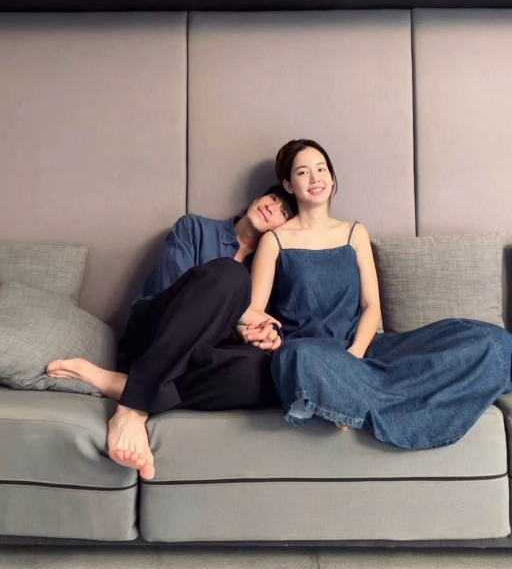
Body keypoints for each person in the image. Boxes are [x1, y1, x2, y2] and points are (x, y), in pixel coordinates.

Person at [241, 139, 512, 450]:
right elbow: (253, 313)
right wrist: (266, 335)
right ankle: (351, 396)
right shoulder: (274, 240)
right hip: (315, 355)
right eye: (303, 172)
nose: (315, 178)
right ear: (289, 184)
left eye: (321, 169)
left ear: (332, 178)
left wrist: (354, 356)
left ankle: (348, 400)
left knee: (486, 338)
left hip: (367, 351)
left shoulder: (355, 233)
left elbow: (372, 308)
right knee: (294, 357)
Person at [47, 185, 295, 480]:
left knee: (258, 371)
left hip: (200, 361)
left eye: (283, 212)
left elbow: (266, 321)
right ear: (256, 199)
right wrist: (241, 317)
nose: (272, 207)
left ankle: (120, 384)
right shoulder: (195, 228)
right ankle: (132, 410)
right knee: (231, 275)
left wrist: (268, 333)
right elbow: (175, 296)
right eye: (272, 198)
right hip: (153, 337)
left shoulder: (269, 267)